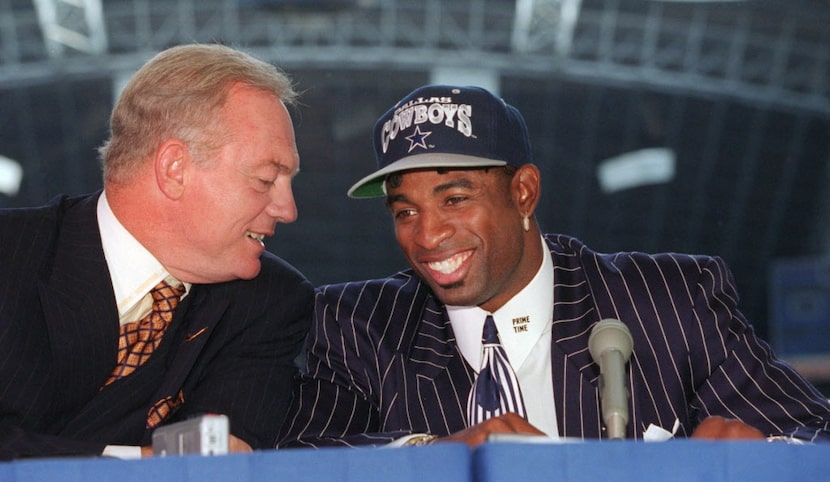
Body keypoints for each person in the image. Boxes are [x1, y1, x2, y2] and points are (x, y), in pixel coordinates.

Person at [277, 84, 830, 448]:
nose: (428, 235)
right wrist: (434, 456)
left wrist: (766, 452)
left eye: (455, 198)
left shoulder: (671, 299)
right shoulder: (358, 323)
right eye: (405, 210)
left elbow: (814, 433)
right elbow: (305, 456)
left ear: (523, 192)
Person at [0, 43, 314, 459]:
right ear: (174, 169)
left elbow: (215, 462)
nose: (288, 210)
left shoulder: (271, 301)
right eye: (264, 180)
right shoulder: (10, 254)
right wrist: (144, 460)